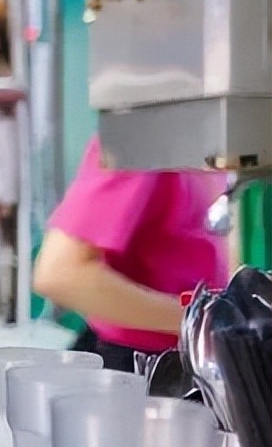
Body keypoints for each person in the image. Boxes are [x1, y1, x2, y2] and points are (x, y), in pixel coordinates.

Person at [34, 134, 229, 371]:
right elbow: (61, 273)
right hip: (143, 365)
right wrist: (205, 322)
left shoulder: (208, 142)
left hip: (195, 353)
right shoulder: (141, 137)